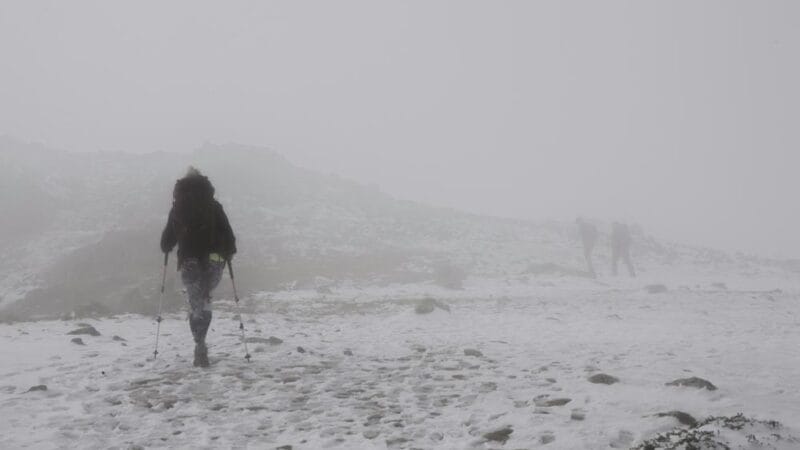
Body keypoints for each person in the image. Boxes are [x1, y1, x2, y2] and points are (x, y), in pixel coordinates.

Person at [160, 167, 236, 367]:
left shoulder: (178, 208)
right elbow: (229, 236)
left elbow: (167, 241)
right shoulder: (214, 206)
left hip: (189, 260)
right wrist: (228, 252)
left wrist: (167, 246)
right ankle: (201, 339)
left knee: (196, 303)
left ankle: (199, 344)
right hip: (214, 260)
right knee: (205, 297)